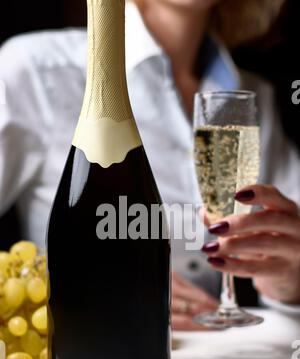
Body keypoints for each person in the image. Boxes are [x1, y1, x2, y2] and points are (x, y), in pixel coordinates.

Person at [0, 0, 299, 331]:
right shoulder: (36, 70)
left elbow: (289, 265)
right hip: (89, 356)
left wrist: (288, 282)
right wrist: (79, 289)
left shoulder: (256, 99)